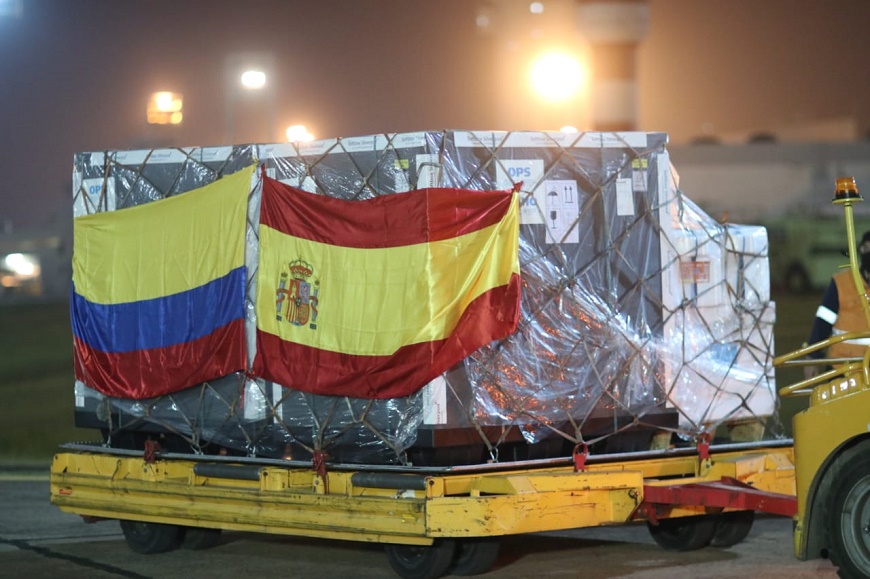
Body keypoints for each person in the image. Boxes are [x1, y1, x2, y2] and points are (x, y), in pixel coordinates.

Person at [805, 230, 870, 378]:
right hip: (842, 368)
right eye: (866, 248)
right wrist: (812, 357)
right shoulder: (842, 282)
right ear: (860, 250)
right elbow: (823, 322)